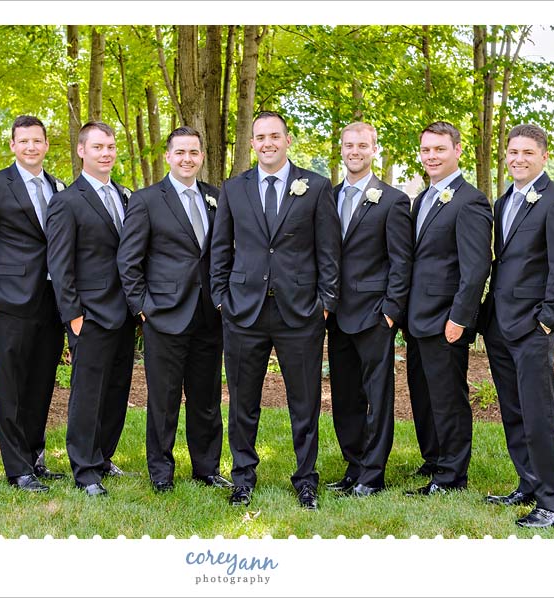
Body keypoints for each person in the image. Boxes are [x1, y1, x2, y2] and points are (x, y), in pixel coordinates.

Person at [210, 111, 340, 510]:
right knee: (242, 402)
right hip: (244, 313)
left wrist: (325, 304)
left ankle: (306, 479)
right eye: (260, 137)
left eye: (274, 136)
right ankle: (243, 478)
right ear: (252, 143)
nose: (267, 143)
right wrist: (221, 299)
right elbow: (220, 248)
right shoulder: (234, 188)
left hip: (300, 313)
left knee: (305, 402)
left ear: (287, 140)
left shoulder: (316, 187)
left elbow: (329, 251)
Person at [117, 127, 230, 493]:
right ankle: (161, 472)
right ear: (168, 156)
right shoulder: (147, 199)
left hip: (208, 315)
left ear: (201, 156)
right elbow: (129, 260)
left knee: (207, 398)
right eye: (180, 152)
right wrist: (142, 308)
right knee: (164, 400)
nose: (187, 158)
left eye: (193, 152)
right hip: (163, 314)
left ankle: (207, 468)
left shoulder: (217, 197)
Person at [480, 124, 554, 528]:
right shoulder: (504, 199)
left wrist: (546, 322)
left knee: (539, 414)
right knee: (514, 411)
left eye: (527, 152)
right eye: (512, 152)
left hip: (533, 328)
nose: (517, 158)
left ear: (544, 156)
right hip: (500, 325)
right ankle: (527, 484)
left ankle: (553, 503)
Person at [0, 115, 66, 493]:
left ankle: (35, 457)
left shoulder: (58, 186)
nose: (31, 147)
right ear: (12, 145)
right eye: (23, 141)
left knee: (41, 382)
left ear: (46, 145)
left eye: (37, 141)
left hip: (52, 302)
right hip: (8, 300)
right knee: (11, 386)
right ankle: (16, 468)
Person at [46, 121, 136, 497]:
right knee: (87, 393)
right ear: (81, 151)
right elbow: (59, 264)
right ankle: (84, 469)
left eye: (111, 146)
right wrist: (73, 316)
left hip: (125, 312)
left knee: (117, 389)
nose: (106, 153)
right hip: (90, 314)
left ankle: (102, 457)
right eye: (98, 147)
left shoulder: (125, 195)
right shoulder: (67, 200)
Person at [404, 121, 492, 496]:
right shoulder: (422, 198)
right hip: (416, 319)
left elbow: (476, 268)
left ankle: (452, 475)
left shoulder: (470, 201)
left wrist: (459, 318)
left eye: (439, 149)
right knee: (422, 394)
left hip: (445, 320)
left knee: (448, 397)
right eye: (426, 150)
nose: (431, 156)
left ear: (458, 150)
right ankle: (434, 459)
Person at [325, 122, 412, 497]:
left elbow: (401, 261)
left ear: (374, 149)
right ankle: (353, 465)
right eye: (348, 145)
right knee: (344, 396)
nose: (354, 151)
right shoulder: (325, 197)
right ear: (341, 150)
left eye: (362, 145)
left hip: (375, 314)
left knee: (377, 398)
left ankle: (373, 474)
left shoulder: (392, 200)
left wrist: (391, 311)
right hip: (335, 314)